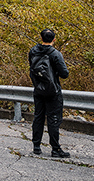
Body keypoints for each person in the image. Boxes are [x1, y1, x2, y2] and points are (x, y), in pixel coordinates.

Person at [29, 29, 70, 158]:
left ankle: (36, 146)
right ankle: (55, 149)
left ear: (41, 38)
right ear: (54, 39)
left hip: (38, 89)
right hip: (53, 91)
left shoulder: (33, 51)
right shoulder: (55, 54)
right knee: (53, 119)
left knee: (38, 117)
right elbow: (64, 74)